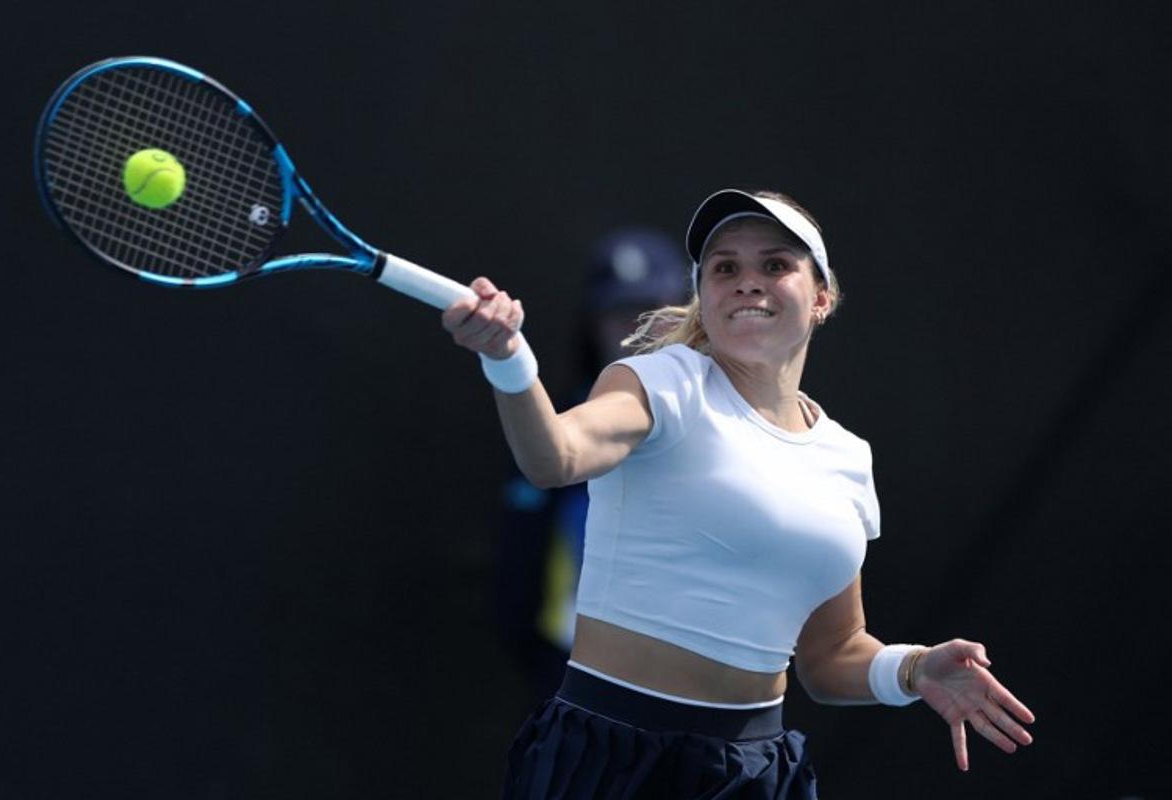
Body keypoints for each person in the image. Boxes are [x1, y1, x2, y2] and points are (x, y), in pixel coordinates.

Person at [443, 189, 1035, 798]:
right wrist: (510, 360)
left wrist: (913, 668)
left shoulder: (848, 459)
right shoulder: (660, 382)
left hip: (754, 773)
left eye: (775, 265)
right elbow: (555, 457)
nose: (748, 282)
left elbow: (831, 656)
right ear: (705, 294)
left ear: (822, 296)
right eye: (726, 268)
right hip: (609, 759)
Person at [493, 229, 688, 707]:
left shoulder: (735, 421)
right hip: (576, 676)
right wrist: (503, 356)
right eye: (619, 314)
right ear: (592, 325)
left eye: (653, 314)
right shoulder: (556, 420)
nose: (636, 331)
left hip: (698, 681)